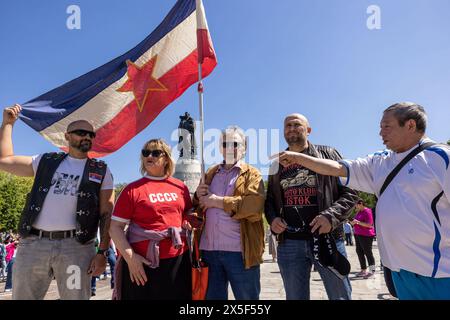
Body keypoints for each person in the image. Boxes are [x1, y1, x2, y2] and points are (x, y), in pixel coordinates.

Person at [276, 102, 450, 300]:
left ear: (410, 125)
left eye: (386, 126)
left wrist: (330, 216)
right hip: (399, 270)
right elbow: (337, 168)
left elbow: (348, 193)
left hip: (438, 272)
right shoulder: (380, 161)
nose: (380, 133)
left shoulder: (440, 158)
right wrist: (298, 158)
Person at [0, 104, 114, 300]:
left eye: (90, 134)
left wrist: (102, 252)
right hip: (34, 245)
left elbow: (106, 214)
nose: (87, 137)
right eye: (80, 132)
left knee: (75, 297)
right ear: (67, 136)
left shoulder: (102, 170)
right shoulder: (45, 161)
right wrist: (8, 124)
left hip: (76, 249)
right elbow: (4, 160)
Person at [265, 114, 358, 300]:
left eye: (296, 125)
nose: (291, 128)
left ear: (308, 130)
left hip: (327, 239)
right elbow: (269, 200)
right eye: (287, 125)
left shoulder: (329, 154)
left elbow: (351, 192)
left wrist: (331, 217)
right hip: (290, 242)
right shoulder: (277, 165)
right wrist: (273, 218)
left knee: (340, 295)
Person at [110, 139, 193, 300]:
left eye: (155, 153)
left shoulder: (180, 187)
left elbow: (187, 215)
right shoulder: (132, 190)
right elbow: (115, 227)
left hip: (177, 260)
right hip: (142, 264)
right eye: (145, 152)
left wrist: (192, 218)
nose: (150, 155)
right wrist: (131, 259)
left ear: (166, 159)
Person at [194, 126, 265, 300]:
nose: (230, 148)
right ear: (220, 148)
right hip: (209, 251)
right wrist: (197, 196)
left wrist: (217, 201)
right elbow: (198, 205)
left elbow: (253, 207)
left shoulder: (252, 174)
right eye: (225, 144)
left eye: (235, 143)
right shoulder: (209, 173)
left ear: (244, 147)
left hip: (240, 252)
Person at [351, 200, 376, 278]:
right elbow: (356, 222)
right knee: (359, 252)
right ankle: (363, 270)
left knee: (368, 252)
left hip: (366, 235)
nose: (355, 207)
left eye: (356, 205)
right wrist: (353, 222)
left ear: (361, 204)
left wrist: (357, 222)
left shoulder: (367, 211)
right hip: (358, 234)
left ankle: (372, 271)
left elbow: (369, 224)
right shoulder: (359, 212)